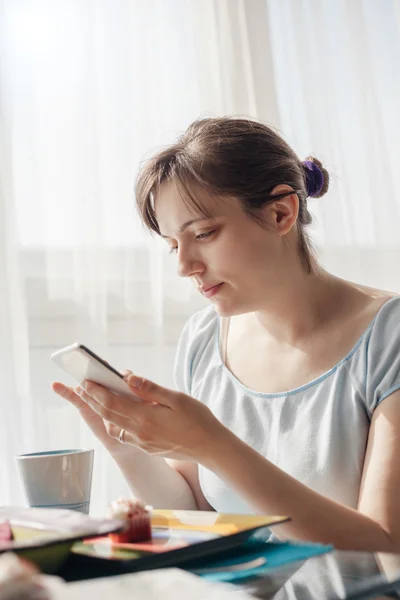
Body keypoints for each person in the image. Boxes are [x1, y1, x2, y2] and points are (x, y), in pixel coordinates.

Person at [52, 117, 400, 552]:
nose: (185, 266)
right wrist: (124, 442)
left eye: (203, 234)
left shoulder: (389, 338)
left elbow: (387, 550)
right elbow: (196, 509)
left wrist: (214, 445)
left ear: (280, 213)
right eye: (174, 246)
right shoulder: (203, 340)